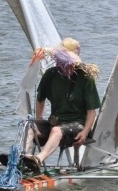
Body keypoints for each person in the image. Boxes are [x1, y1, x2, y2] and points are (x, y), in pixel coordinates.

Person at [20, 38, 101, 174]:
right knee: (29, 126)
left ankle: (38, 159)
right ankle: (24, 157)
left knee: (57, 131)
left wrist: (85, 132)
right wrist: (38, 120)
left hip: (77, 126)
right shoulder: (50, 74)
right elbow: (40, 100)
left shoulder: (85, 77)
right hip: (55, 124)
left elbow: (91, 112)